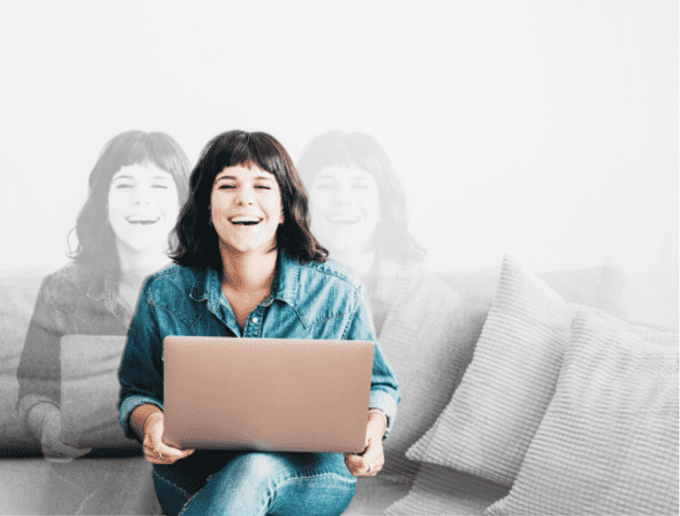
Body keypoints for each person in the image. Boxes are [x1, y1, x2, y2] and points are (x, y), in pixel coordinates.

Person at [118, 130, 401, 516]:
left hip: (311, 474)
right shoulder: (162, 293)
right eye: (228, 185)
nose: (245, 198)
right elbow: (138, 391)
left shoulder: (339, 291)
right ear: (206, 204)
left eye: (262, 186)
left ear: (284, 208)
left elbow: (379, 385)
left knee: (253, 468)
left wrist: (373, 427)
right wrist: (151, 423)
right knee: (243, 477)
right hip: (191, 473)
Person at [15, 130, 191, 514]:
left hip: (187, 464)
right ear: (104, 202)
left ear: (183, 204)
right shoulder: (64, 289)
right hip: (90, 467)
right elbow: (33, 390)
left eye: (159, 185)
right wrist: (48, 425)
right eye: (124, 184)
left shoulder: (214, 286)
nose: (142, 198)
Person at [297, 131, 463, 477]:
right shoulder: (272, 283)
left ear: (383, 205)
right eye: (326, 185)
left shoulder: (428, 299)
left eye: (360, 185)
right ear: (302, 204)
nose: (343, 200)